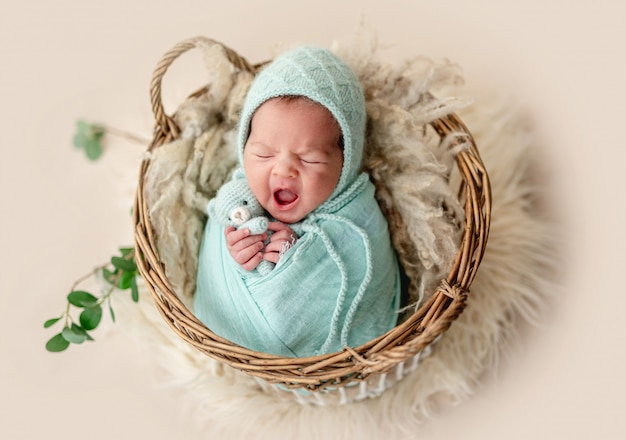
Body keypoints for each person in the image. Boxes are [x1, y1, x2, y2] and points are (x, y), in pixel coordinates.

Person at [194, 46, 401, 357]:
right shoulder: (239, 196)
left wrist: (297, 259)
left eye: (309, 158)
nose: (283, 169)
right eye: (264, 153)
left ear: (346, 161)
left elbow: (361, 288)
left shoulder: (358, 220)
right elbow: (218, 258)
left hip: (318, 370)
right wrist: (240, 257)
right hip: (230, 353)